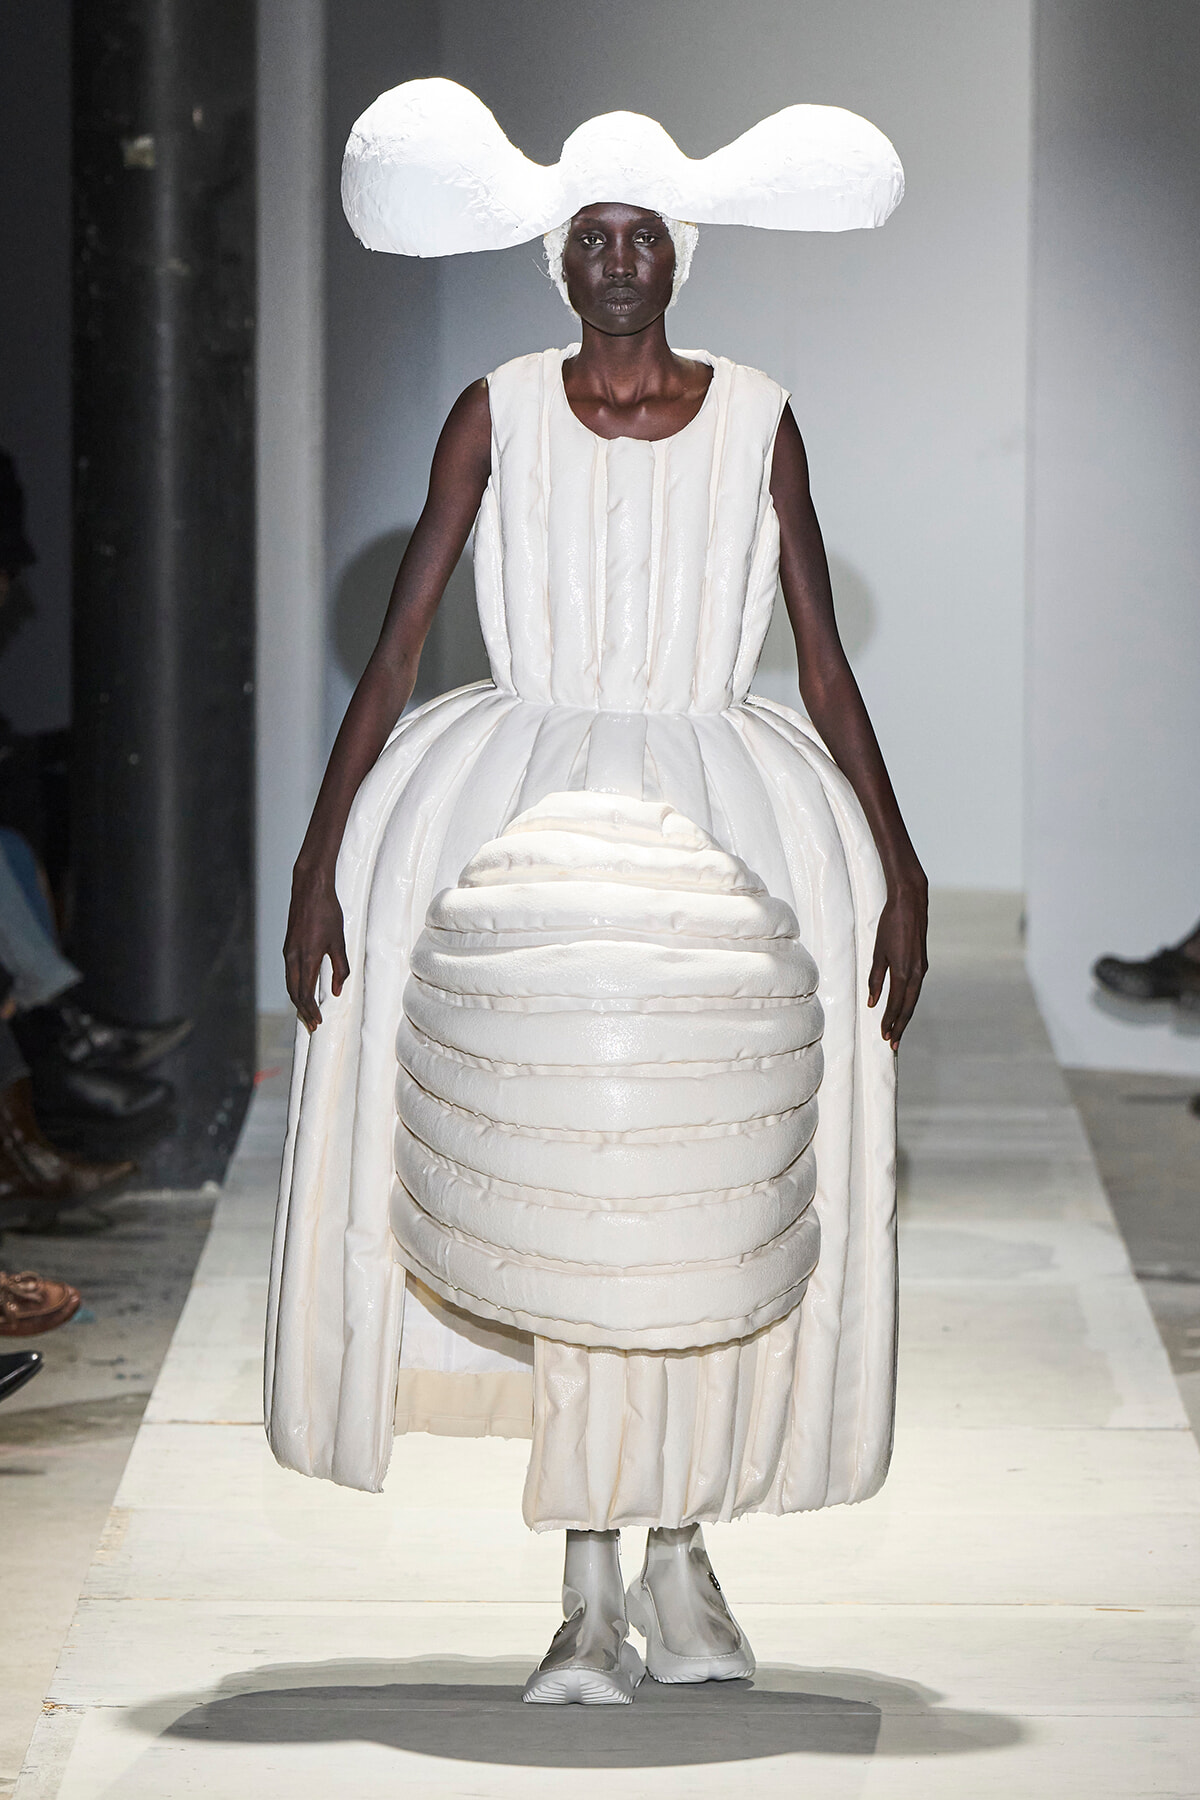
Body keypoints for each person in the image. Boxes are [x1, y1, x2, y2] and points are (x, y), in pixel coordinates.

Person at [268, 82, 927, 1705]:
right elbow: (406, 635)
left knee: (703, 1188)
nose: (619, 260)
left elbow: (822, 660)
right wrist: (317, 851)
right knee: (556, 1180)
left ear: (677, 260)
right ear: (560, 264)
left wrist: (899, 862)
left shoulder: (760, 413)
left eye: (641, 236)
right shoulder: (495, 407)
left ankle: (683, 1556)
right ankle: (587, 1583)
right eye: (593, 238)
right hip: (519, 809)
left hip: (727, 809)